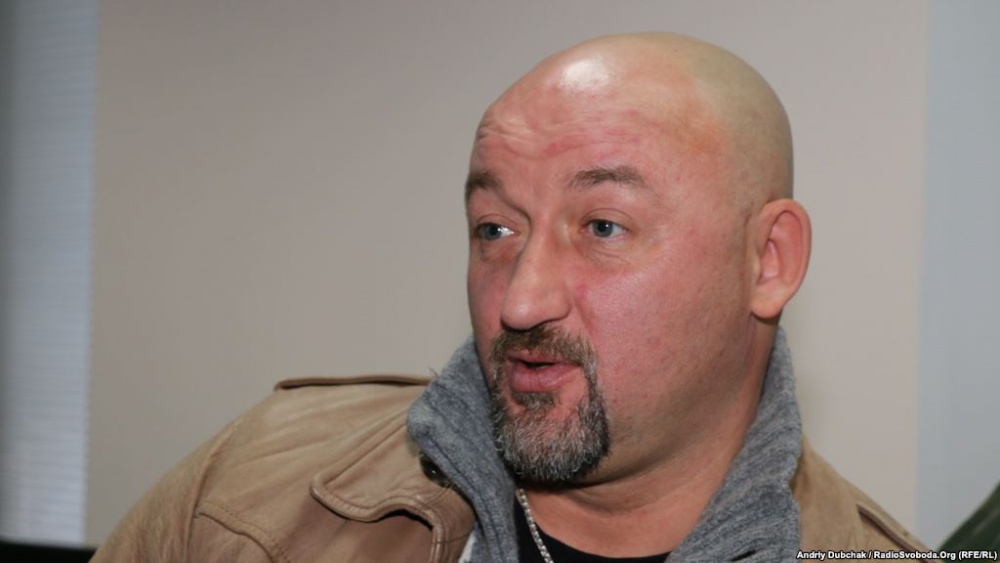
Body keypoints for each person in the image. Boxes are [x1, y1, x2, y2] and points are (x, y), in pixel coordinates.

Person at [92, 32, 935, 562]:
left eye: (602, 227)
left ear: (768, 261)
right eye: (495, 228)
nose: (521, 302)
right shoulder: (251, 490)